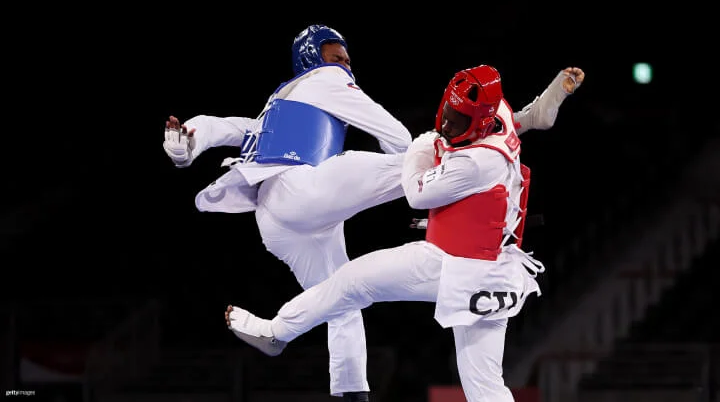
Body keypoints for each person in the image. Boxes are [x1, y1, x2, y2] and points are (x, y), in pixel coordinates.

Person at [164, 23, 583, 401]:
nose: (344, 64)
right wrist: (428, 148)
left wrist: (188, 144)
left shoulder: (476, 159)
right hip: (486, 266)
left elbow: (415, 184)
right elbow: (406, 136)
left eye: (345, 57)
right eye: (335, 55)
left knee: (345, 291)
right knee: (387, 176)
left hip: (304, 226)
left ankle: (313, 361)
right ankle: (312, 360)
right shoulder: (497, 123)